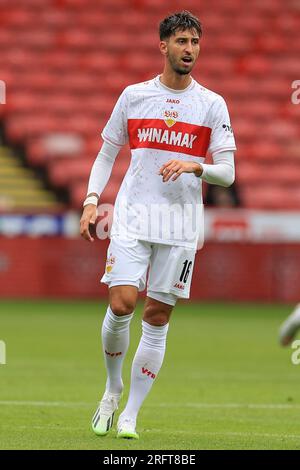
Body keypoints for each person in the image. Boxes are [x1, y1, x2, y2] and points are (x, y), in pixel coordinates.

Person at [80, 10, 236, 440]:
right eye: (182, 42)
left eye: (195, 42)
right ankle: (112, 390)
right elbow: (107, 153)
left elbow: (227, 173)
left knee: (158, 314)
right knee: (122, 304)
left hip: (180, 223)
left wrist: (194, 165)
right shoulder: (134, 96)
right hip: (132, 215)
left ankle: (130, 412)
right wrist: (92, 201)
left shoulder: (211, 104)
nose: (190, 50)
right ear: (163, 45)